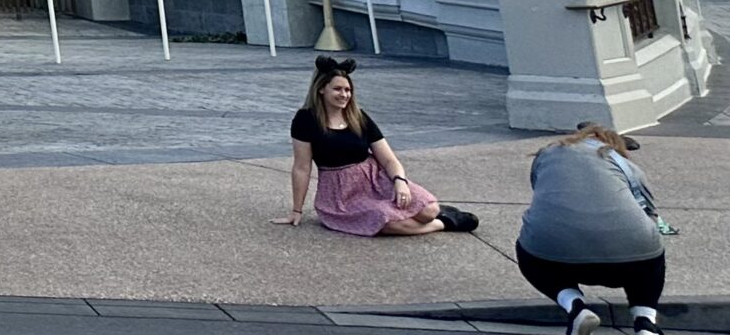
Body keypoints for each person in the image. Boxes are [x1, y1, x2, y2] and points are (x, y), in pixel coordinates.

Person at [279, 55, 477, 235]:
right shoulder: (305, 119)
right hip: (341, 193)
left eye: (348, 90)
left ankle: (435, 215)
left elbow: (388, 159)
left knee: (429, 210)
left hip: (376, 179)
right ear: (321, 89)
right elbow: (302, 168)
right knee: (384, 221)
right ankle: (444, 223)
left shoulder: (358, 117)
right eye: (337, 89)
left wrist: (400, 181)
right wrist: (297, 210)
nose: (344, 95)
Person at [516, 124, 673, 335]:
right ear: (615, 145)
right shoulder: (624, 164)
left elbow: (541, 191)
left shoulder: (547, 153)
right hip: (630, 261)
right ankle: (645, 322)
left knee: (529, 252)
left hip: (556, 256)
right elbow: (649, 211)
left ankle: (576, 306)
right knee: (651, 256)